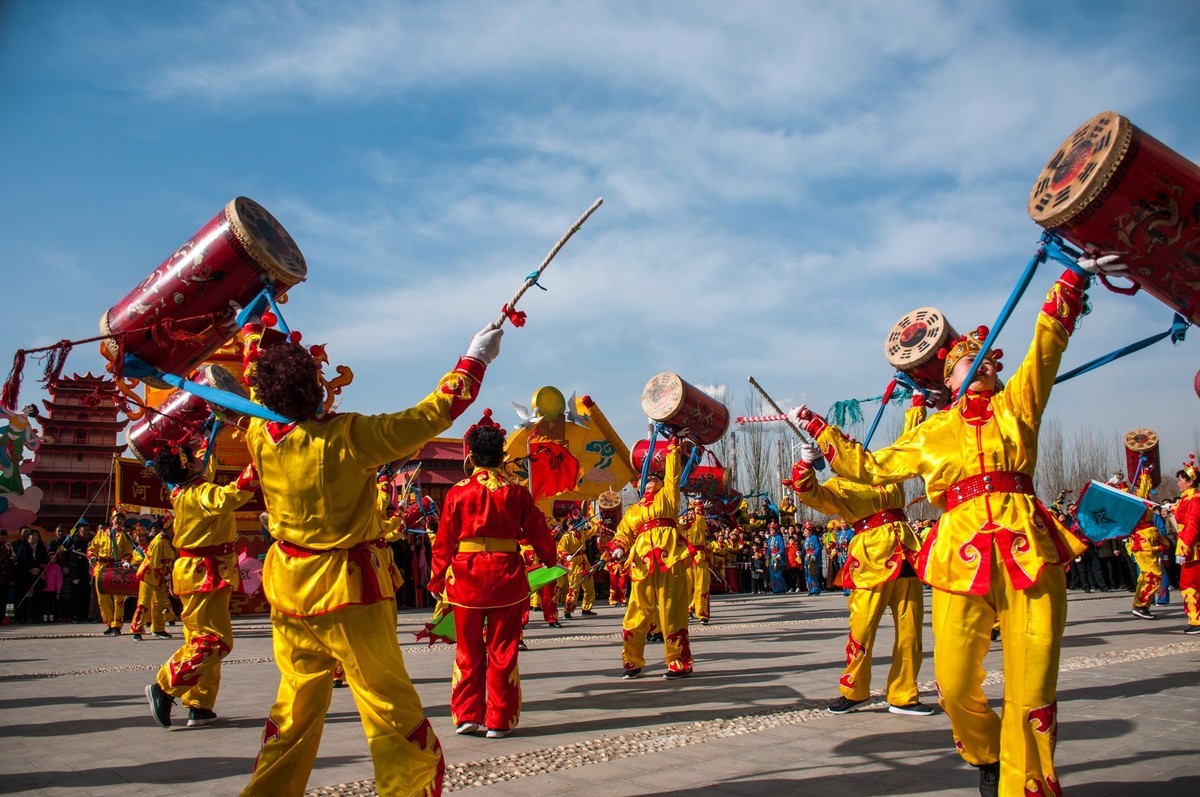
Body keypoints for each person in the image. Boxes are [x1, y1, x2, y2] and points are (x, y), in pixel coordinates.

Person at [787, 258, 1107, 796]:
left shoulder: (1017, 405)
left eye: (982, 359)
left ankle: (1026, 783)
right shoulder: (933, 432)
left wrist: (1072, 279)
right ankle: (985, 753)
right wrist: (822, 429)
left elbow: (1046, 348)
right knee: (955, 683)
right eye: (962, 361)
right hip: (959, 556)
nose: (976, 363)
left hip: (1029, 552)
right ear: (946, 380)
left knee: (1032, 685)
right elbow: (871, 466)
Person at [239, 323, 501, 797]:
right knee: (385, 702)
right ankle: (407, 788)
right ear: (317, 387)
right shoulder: (350, 436)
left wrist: (251, 331)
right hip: (347, 586)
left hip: (290, 591)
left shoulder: (258, 435)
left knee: (294, 707)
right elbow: (431, 415)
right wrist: (474, 361)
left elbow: (257, 386)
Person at [789, 397, 932, 717]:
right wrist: (805, 464)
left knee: (911, 631)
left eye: (851, 441)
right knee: (862, 627)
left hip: (905, 552)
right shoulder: (838, 486)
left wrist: (917, 406)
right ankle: (855, 690)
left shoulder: (885, 467)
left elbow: (912, 443)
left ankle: (904, 693)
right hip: (869, 557)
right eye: (845, 443)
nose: (851, 443)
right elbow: (808, 493)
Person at [427, 411, 557, 739]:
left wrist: (437, 577)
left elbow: (443, 540)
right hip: (506, 577)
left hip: (467, 578)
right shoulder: (516, 492)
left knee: (468, 649)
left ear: (470, 455)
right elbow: (539, 531)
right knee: (502, 649)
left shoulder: (457, 492)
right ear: (502, 456)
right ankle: (499, 720)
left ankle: (467, 715)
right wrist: (548, 559)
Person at [144, 446, 258, 728]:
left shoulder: (184, 490)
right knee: (215, 642)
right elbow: (231, 495)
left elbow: (203, 465)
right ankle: (165, 686)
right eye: (194, 457)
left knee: (200, 640)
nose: (200, 459)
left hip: (203, 572)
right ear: (189, 467)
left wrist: (211, 434)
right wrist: (260, 464)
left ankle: (200, 703)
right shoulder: (200, 494)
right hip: (203, 574)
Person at [610, 437, 693, 679]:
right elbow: (623, 532)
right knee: (637, 611)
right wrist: (618, 547)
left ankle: (679, 662)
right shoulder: (633, 511)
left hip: (670, 560)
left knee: (672, 610)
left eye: (656, 477)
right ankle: (632, 662)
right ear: (639, 484)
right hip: (641, 564)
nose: (652, 479)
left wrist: (673, 449)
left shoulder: (668, 497)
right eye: (648, 477)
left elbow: (673, 475)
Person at [87, 511, 135, 635]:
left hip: (117, 567)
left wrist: (126, 561)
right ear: (111, 520)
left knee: (119, 598)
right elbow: (92, 548)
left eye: (121, 520)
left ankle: (116, 625)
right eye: (117, 518)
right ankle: (109, 623)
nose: (119, 521)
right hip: (102, 567)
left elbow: (129, 552)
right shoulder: (102, 534)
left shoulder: (125, 536)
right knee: (103, 598)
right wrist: (92, 556)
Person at [131, 521, 177, 640]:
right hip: (149, 575)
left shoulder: (169, 541)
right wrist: (166, 573)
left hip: (161, 577)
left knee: (160, 604)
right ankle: (137, 630)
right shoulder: (158, 542)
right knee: (144, 603)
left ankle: (158, 628)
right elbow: (155, 563)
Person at [1173, 458, 1200, 634]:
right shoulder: (1187, 499)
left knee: (1189, 584)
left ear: (1190, 482)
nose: (1178, 483)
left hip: (1192, 549)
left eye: (1181, 480)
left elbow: (1192, 525)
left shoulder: (1194, 500)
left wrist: (1184, 547)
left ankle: (1196, 620)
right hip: (1189, 546)